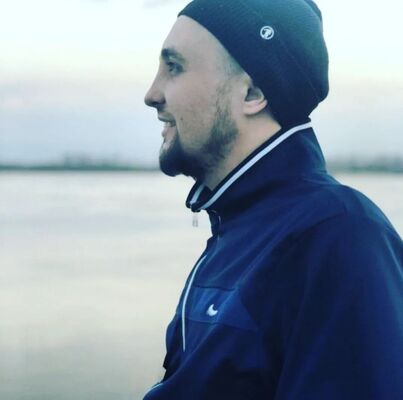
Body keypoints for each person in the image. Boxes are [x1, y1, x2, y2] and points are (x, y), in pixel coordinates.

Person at [143, 0, 403, 398]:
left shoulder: (337, 234)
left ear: (252, 92)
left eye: (174, 67)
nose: (152, 94)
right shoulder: (238, 229)